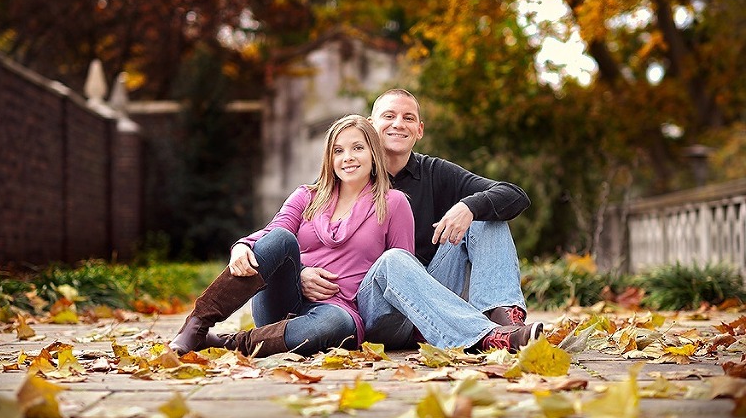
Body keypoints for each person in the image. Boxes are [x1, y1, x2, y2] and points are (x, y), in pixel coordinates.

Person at [300, 88, 542, 352]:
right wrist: (300, 274)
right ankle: (482, 334)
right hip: (374, 306)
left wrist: (468, 207)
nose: (398, 124)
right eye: (389, 116)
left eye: (408, 118)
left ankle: (505, 322)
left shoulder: (435, 172)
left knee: (485, 215)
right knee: (394, 260)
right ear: (370, 126)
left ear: (420, 129)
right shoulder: (346, 176)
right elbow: (307, 241)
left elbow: (514, 195)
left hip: (433, 295)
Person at [169, 114, 415, 357]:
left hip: (339, 310)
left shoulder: (393, 203)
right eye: (338, 151)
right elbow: (274, 231)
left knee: (336, 322)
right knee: (282, 238)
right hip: (282, 301)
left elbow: (398, 273)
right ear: (329, 159)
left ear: (373, 153)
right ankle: (197, 325)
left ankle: (230, 343)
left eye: (357, 148)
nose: (347, 158)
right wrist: (242, 246)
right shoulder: (306, 196)